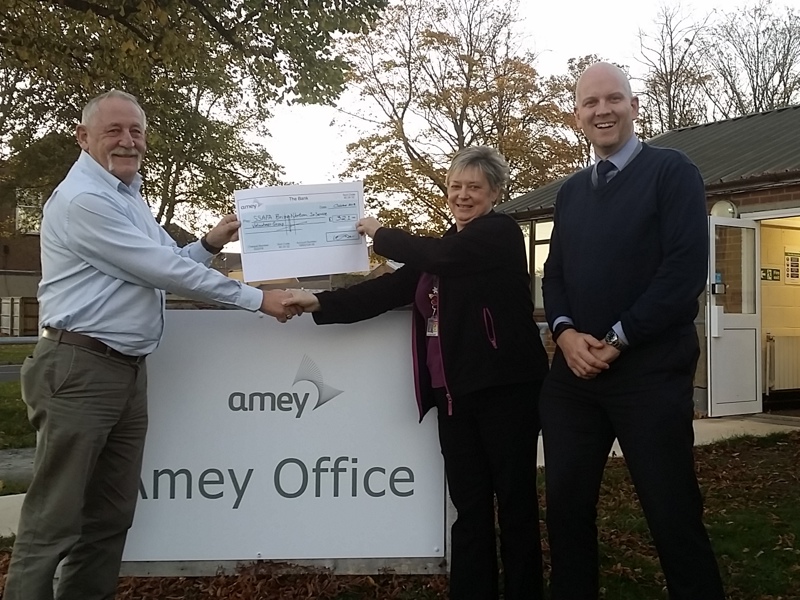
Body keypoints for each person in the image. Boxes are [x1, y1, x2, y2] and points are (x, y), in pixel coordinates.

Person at [4, 90, 299, 600]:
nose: (128, 141)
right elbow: (162, 270)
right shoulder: (85, 200)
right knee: (52, 521)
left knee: (110, 516)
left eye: (136, 131)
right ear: (83, 137)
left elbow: (169, 260)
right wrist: (257, 299)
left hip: (122, 369)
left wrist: (209, 244)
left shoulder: (127, 196)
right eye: (114, 130)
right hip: (79, 368)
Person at [284, 146, 549, 600]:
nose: (462, 195)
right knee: (469, 508)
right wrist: (319, 302)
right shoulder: (441, 251)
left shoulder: (498, 233)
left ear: (495, 193)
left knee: (515, 504)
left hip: (506, 392)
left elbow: (443, 256)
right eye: (455, 186)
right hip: (454, 396)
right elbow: (386, 291)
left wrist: (380, 233)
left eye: (474, 187)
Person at [540, 62, 725, 600]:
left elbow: (682, 273)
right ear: (577, 116)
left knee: (672, 512)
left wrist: (619, 338)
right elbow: (555, 274)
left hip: (650, 373)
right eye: (590, 103)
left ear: (634, 106)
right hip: (575, 378)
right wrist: (564, 333)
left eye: (613, 99)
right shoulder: (572, 193)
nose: (603, 110)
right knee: (566, 510)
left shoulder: (672, 172)